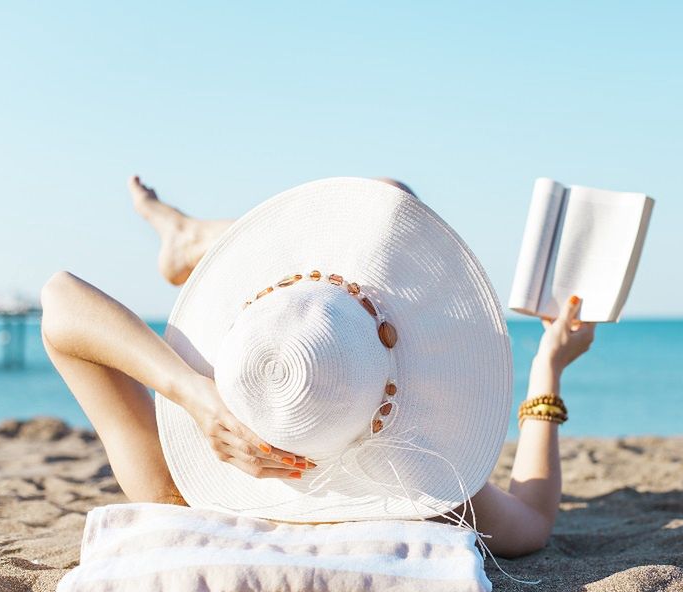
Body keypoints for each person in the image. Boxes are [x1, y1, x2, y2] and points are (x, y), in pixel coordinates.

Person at [40, 176, 595, 558]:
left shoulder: (176, 492)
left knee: (385, 199)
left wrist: (194, 394)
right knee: (389, 197)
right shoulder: (424, 498)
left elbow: (60, 299)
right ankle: (198, 240)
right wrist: (548, 365)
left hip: (215, 411)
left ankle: (194, 240)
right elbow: (534, 517)